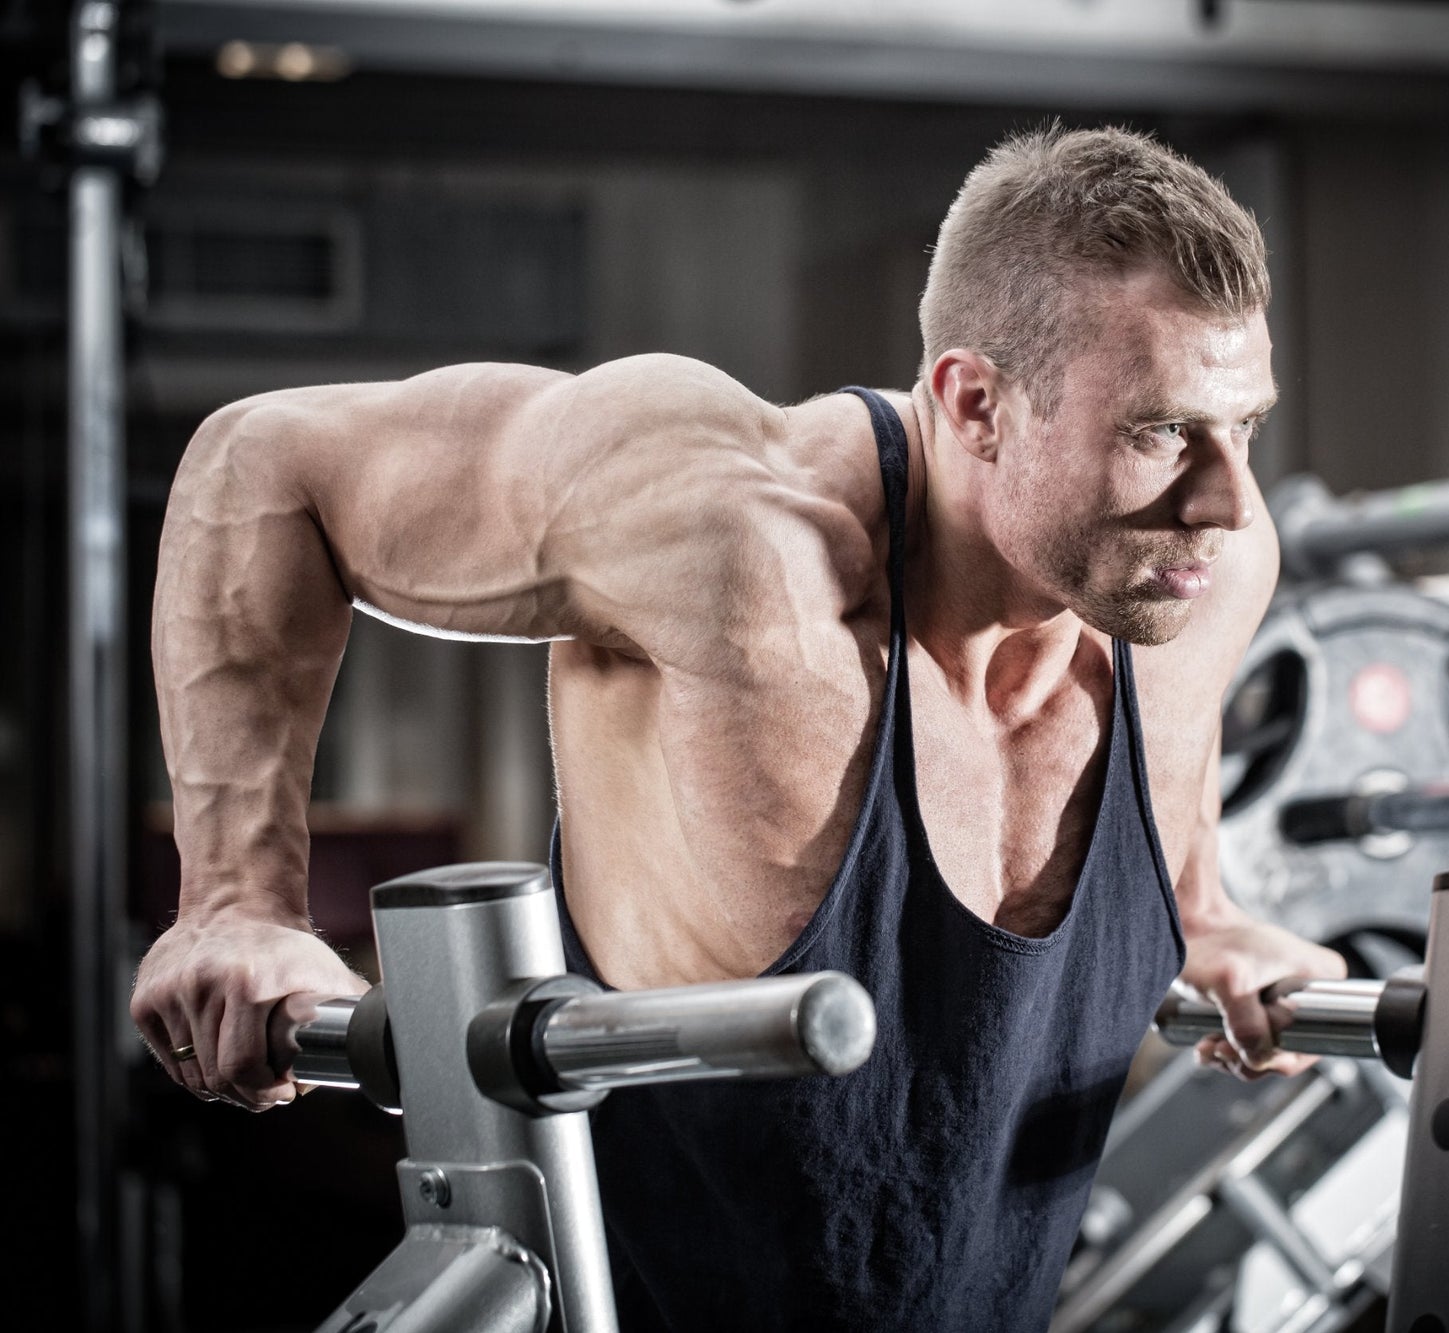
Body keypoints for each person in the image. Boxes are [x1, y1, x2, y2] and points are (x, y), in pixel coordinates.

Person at [130, 125, 1348, 1329]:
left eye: (1242, 426)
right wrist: (238, 901)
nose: (1227, 501)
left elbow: (1167, 860)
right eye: (1158, 431)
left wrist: (1207, 918)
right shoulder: (732, 543)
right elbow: (263, 465)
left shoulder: (1198, 583)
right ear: (974, 401)